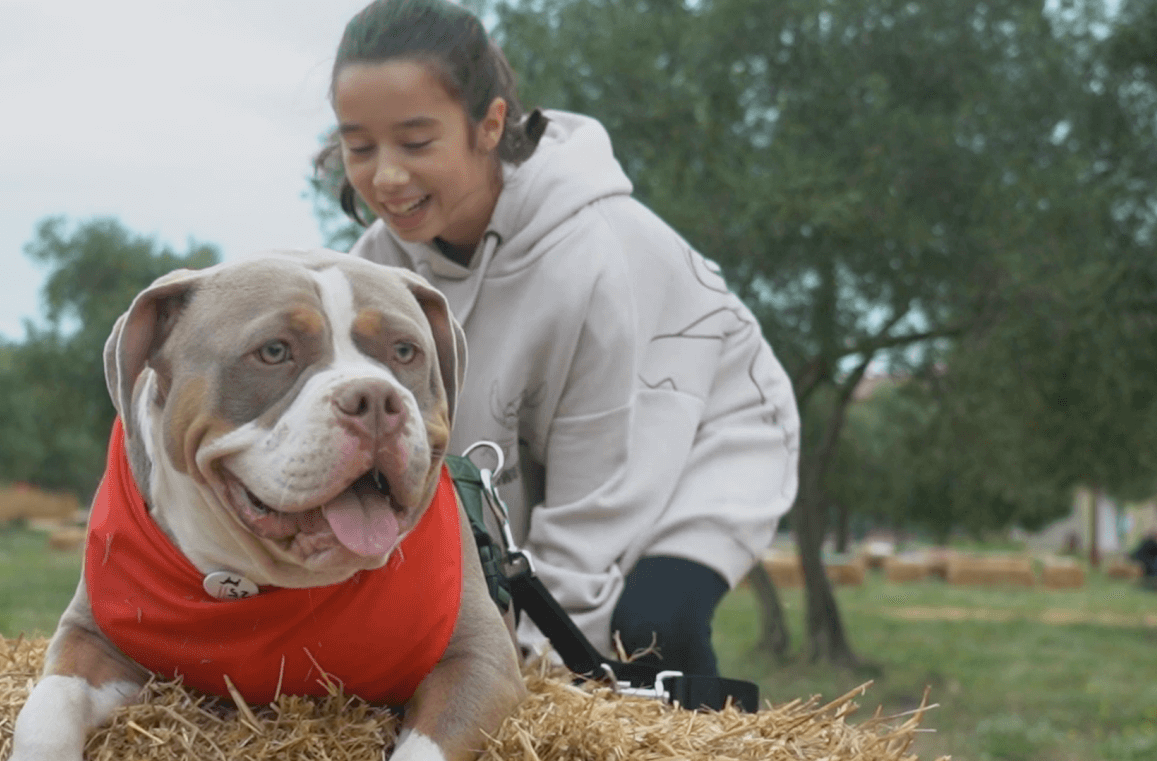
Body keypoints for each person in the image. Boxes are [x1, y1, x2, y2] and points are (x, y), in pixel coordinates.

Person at [320, 0, 801, 678]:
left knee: (648, 632)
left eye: (416, 142)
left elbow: (598, 500)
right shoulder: (377, 269)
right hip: (569, 450)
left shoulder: (585, 259)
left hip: (701, 429)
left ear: (489, 126)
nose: (386, 176)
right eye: (360, 147)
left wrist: (535, 665)